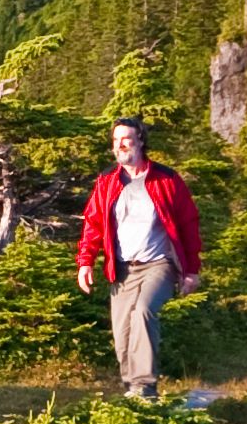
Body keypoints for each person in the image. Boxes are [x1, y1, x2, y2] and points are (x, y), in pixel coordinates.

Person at [74, 116, 203, 403]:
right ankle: (131, 390)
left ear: (141, 141)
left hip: (158, 264)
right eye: (116, 140)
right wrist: (86, 262)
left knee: (144, 312)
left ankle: (145, 389)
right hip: (121, 268)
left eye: (126, 139)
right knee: (122, 333)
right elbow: (93, 224)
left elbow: (188, 224)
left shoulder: (166, 179)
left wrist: (191, 270)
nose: (120, 145)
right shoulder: (107, 181)